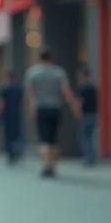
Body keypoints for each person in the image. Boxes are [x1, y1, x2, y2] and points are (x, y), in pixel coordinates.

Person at [24, 46, 81, 178]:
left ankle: (46, 164)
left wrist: (30, 109)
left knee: (43, 139)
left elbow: (29, 93)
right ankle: (52, 164)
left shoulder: (33, 73)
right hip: (55, 108)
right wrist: (74, 106)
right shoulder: (58, 72)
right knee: (53, 138)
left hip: (41, 108)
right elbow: (66, 91)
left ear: (39, 58)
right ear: (50, 58)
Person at [0, 72, 24, 164]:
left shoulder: (5, 89)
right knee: (15, 134)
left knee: (9, 135)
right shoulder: (17, 89)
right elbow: (21, 101)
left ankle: (11, 153)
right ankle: (14, 152)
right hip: (15, 114)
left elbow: (1, 102)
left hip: (8, 115)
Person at [77, 66, 98, 166]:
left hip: (85, 115)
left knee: (85, 137)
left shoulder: (83, 89)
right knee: (89, 136)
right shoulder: (93, 88)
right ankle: (92, 155)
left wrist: (78, 113)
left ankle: (89, 156)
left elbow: (80, 103)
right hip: (93, 114)